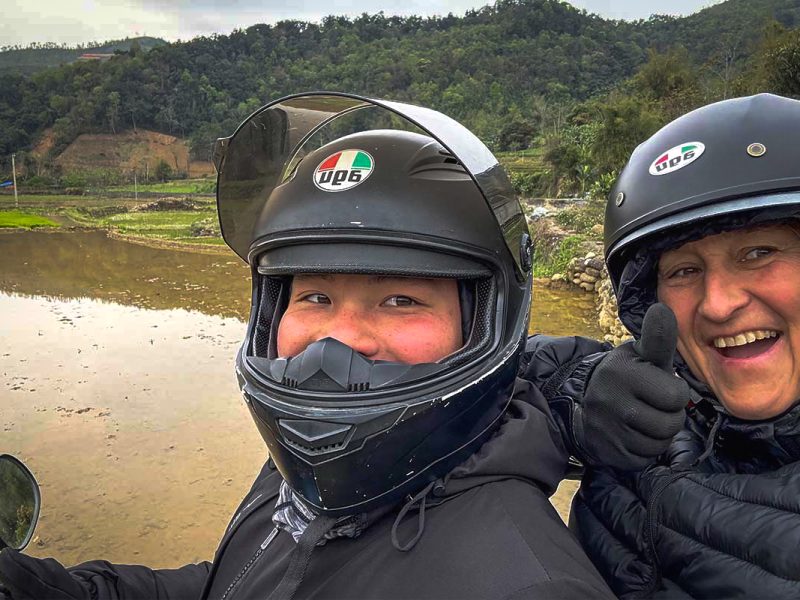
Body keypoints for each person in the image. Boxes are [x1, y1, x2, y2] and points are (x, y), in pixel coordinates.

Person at [0, 93, 615, 599]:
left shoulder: (526, 581)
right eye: (315, 296)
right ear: (271, 309)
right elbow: (237, 585)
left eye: (400, 300)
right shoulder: (310, 469)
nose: (337, 341)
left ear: (486, 321)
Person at [526, 93, 800, 598]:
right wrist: (579, 399)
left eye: (758, 252)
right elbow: (478, 381)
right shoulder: (665, 415)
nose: (718, 304)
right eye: (684, 271)